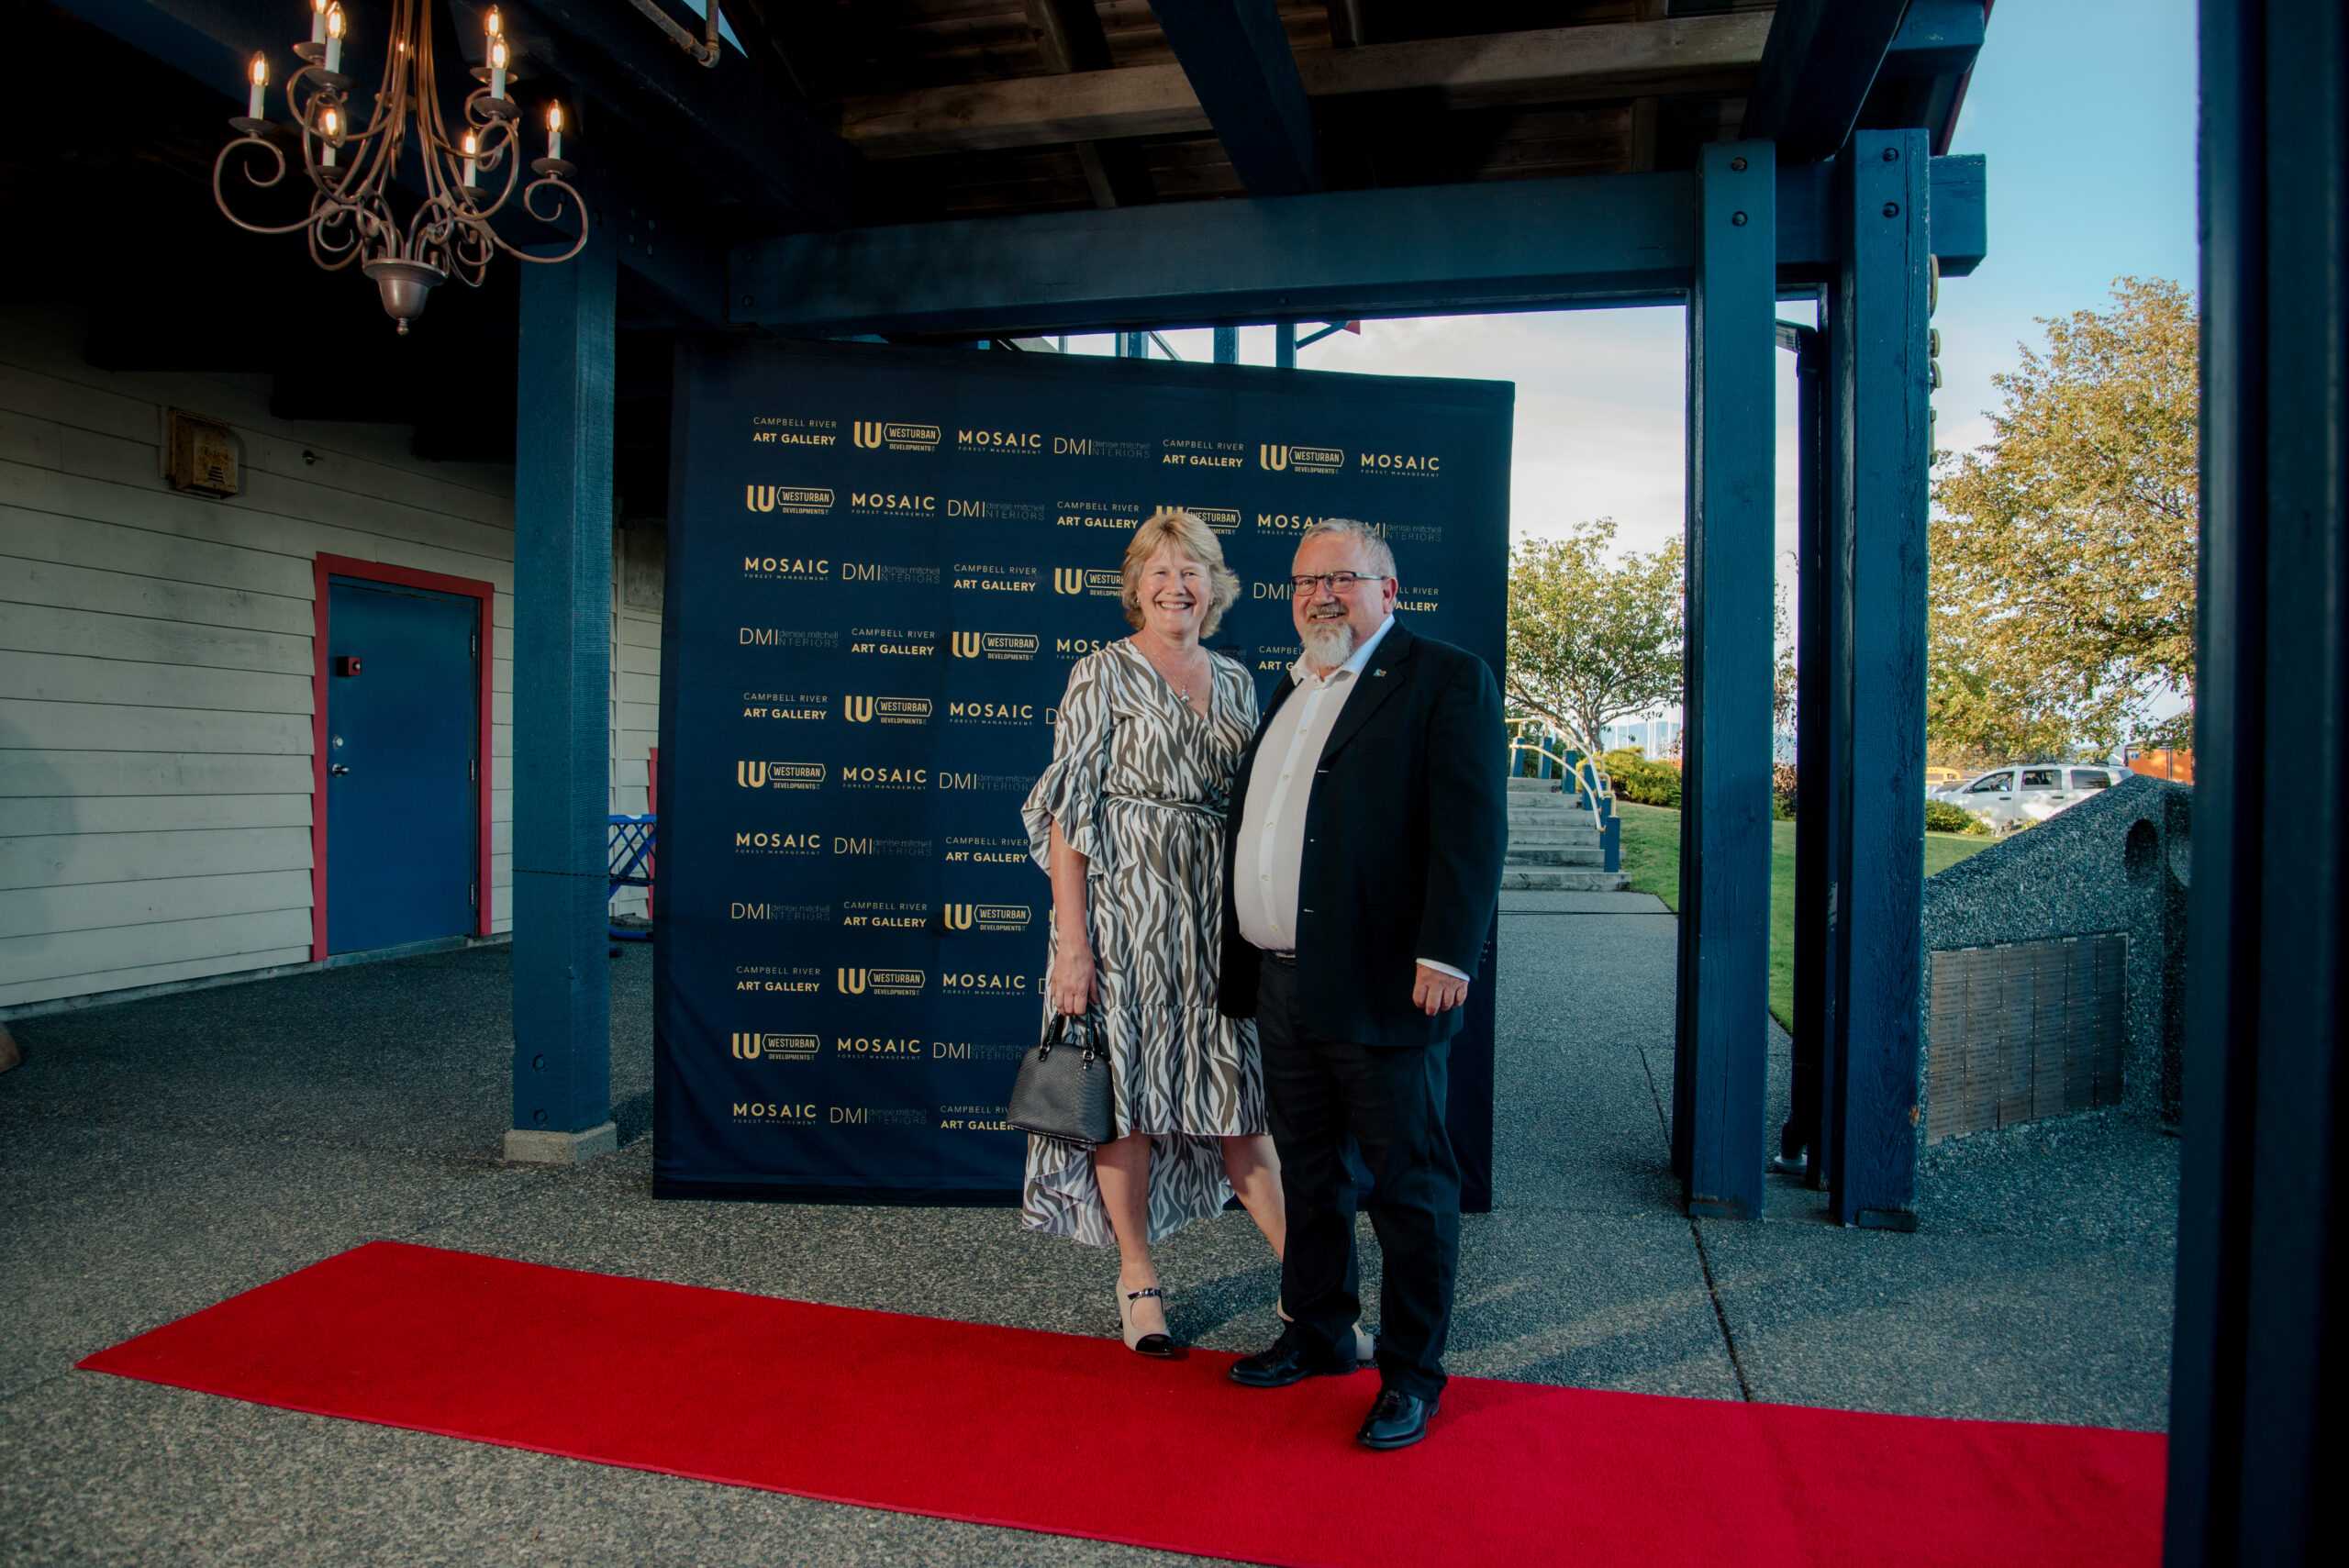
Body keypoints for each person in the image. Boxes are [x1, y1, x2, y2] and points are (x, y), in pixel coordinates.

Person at [1219, 518, 1506, 1451]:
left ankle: (1412, 1374)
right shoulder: (1293, 684)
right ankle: (1318, 1332)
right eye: (1305, 581)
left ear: (1390, 589)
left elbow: (1470, 828)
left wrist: (1447, 952)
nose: (1320, 595)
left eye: (1341, 577)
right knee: (1310, 1173)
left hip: (1386, 984)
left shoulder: (1443, 677)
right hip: (1283, 982)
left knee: (1408, 1187)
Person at [1019, 509, 1287, 1358]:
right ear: (1136, 586)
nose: (1177, 585)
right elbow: (1070, 814)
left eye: (1192, 570)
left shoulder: (1239, 683)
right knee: (1124, 1099)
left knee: (1240, 1104)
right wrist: (1073, 945)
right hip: (1122, 920)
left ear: (1215, 586)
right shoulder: (1100, 673)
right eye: (1160, 571)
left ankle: (1313, 1286)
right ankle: (1137, 1278)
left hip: (1214, 925)